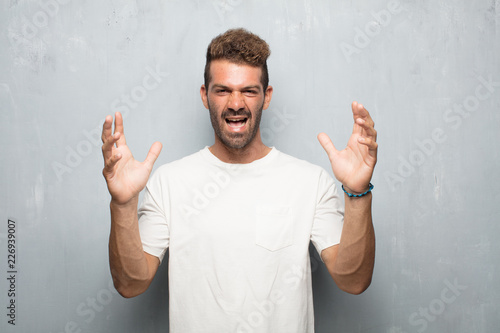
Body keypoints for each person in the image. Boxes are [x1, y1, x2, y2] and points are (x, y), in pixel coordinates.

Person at [101, 28, 377, 332]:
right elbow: (130, 283)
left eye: (248, 90)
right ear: (205, 96)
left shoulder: (310, 183)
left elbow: (353, 280)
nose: (236, 103)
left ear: (266, 96)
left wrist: (357, 192)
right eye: (222, 90)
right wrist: (123, 203)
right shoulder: (169, 183)